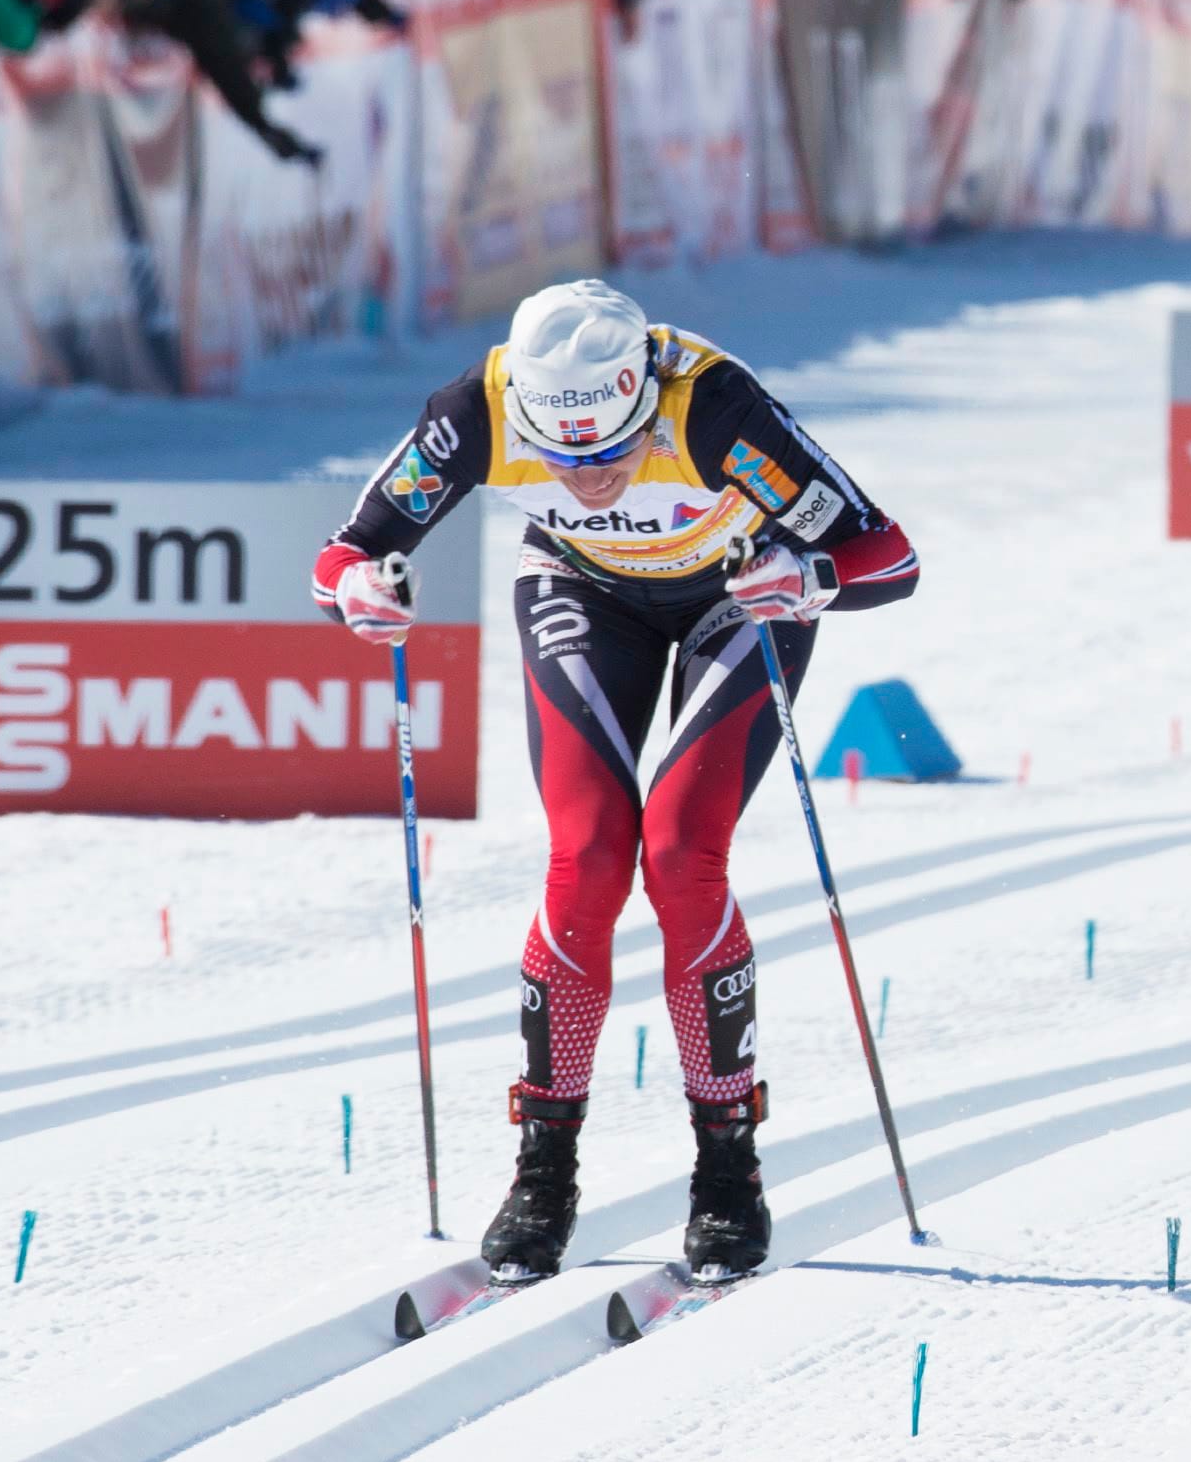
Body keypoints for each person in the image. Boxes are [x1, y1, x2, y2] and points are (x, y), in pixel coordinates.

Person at [312, 280, 919, 1286]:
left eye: (611, 452)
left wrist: (811, 580)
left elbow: (888, 556)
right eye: (562, 458)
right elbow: (348, 552)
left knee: (681, 851)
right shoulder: (481, 408)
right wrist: (362, 589)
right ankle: (542, 1174)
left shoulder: (711, 408)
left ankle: (727, 1171)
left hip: (738, 596)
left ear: (644, 402)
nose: (589, 477)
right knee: (589, 853)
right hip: (581, 589)